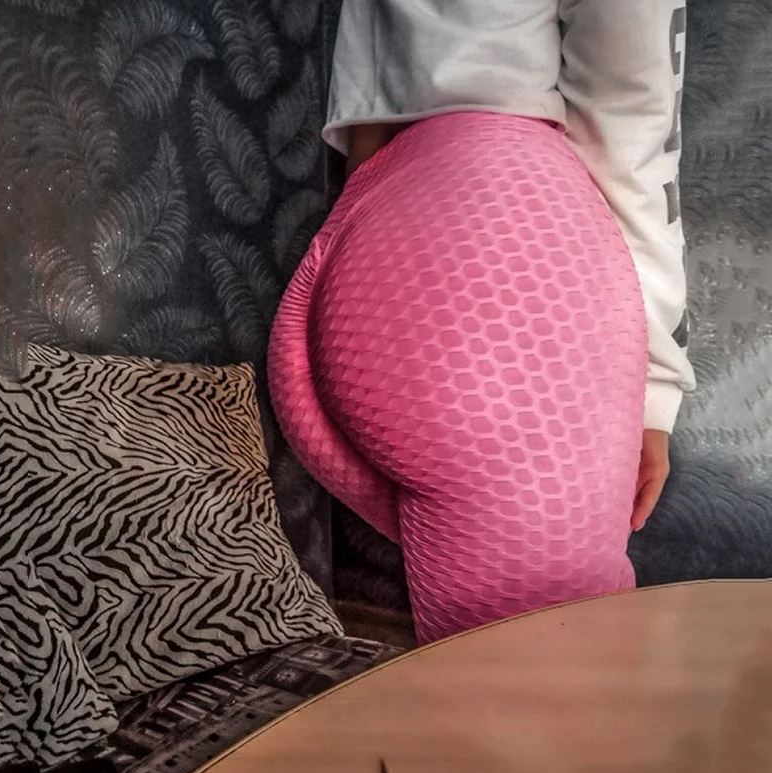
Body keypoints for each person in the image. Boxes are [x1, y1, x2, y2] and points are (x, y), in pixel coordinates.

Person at [268, 0, 697, 643]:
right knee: (555, 665)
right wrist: (655, 388)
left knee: (512, 664)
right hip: (499, 243)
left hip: (382, 220)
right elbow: (631, 116)